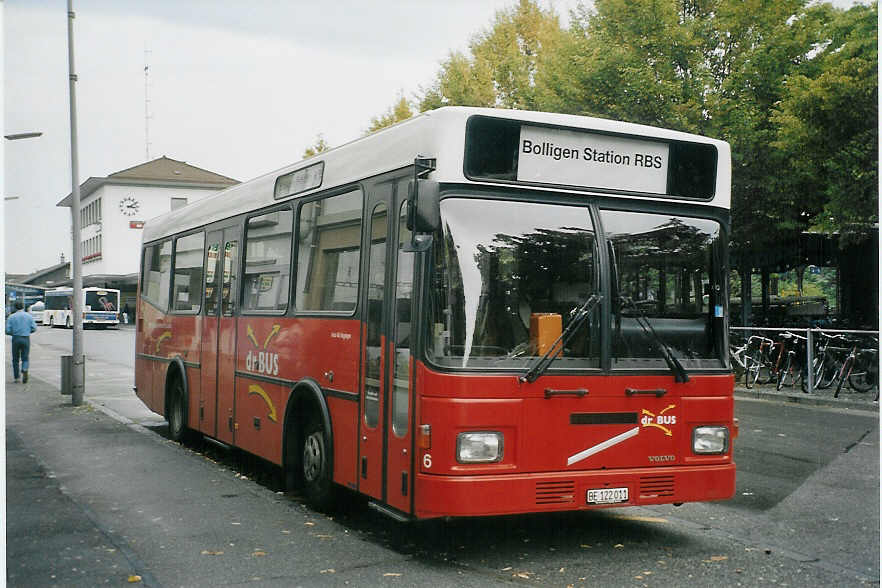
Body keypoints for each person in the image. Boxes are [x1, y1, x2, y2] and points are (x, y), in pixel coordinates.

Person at [6, 300, 37, 383]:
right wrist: (27, 331)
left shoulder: (11, 317)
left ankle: (16, 377)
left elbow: (7, 330)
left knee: (15, 359)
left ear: (15, 307)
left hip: (16, 338)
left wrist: (14, 333)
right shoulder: (29, 316)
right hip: (26, 338)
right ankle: (24, 368)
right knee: (25, 357)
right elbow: (34, 328)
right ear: (23, 307)